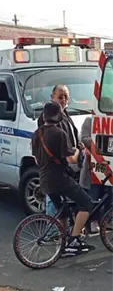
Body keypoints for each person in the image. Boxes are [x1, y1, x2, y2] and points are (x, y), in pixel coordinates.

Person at [32, 101, 94, 255]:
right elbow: (71, 159)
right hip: (60, 179)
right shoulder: (59, 134)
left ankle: (63, 243)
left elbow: (36, 158)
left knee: (62, 209)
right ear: (59, 115)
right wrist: (79, 150)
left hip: (44, 179)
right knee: (87, 204)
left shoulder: (37, 133)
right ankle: (74, 239)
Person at [37, 85, 81, 217]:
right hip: (55, 168)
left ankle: (62, 233)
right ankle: (53, 233)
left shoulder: (64, 113)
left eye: (66, 97)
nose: (64, 100)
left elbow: (71, 134)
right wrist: (74, 151)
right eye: (60, 97)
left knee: (61, 204)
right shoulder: (47, 118)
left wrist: (78, 145)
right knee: (54, 202)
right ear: (52, 97)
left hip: (65, 167)